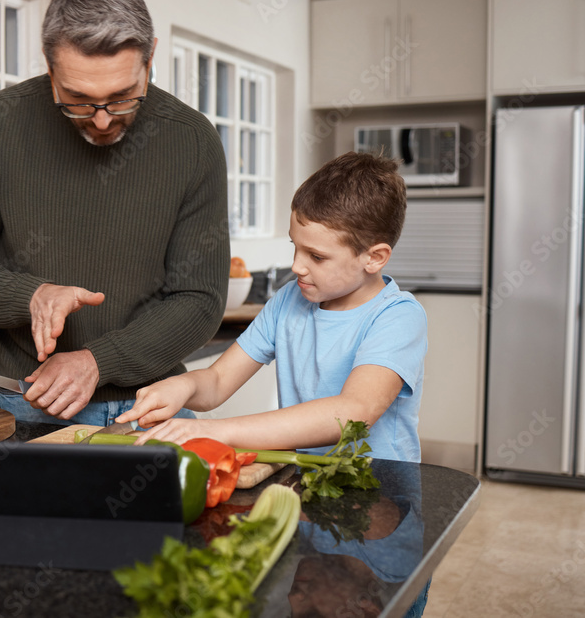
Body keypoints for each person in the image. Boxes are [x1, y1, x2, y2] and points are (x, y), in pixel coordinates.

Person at [0, 0, 229, 424]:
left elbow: (199, 299)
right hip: (33, 404)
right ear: (50, 69)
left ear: (150, 58)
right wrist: (31, 296)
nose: (104, 121)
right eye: (78, 99)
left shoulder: (192, 141)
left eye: (123, 97)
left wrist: (97, 361)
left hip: (154, 404)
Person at [119, 151, 427, 463]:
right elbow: (217, 382)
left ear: (374, 258)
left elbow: (352, 412)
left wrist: (218, 432)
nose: (296, 266)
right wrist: (181, 386)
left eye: (316, 256)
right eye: (295, 248)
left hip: (381, 487)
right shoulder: (288, 300)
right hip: (304, 477)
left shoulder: (397, 317)